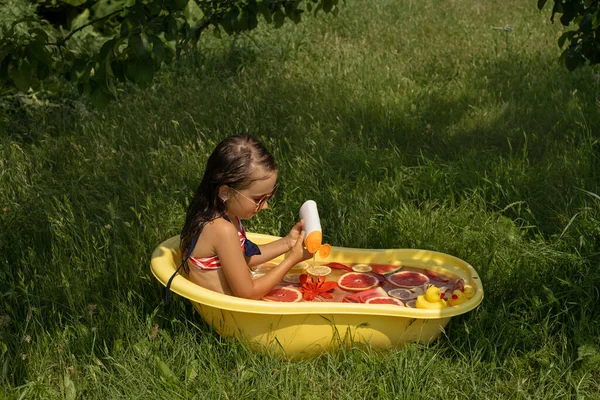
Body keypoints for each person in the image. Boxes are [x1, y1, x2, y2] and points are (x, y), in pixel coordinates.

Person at [177, 133, 313, 300]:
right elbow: (247, 293)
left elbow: (240, 260)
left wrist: (287, 242)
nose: (265, 206)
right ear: (225, 192)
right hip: (230, 316)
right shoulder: (221, 229)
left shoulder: (225, 215)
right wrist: (291, 260)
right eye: (258, 199)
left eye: (268, 197)